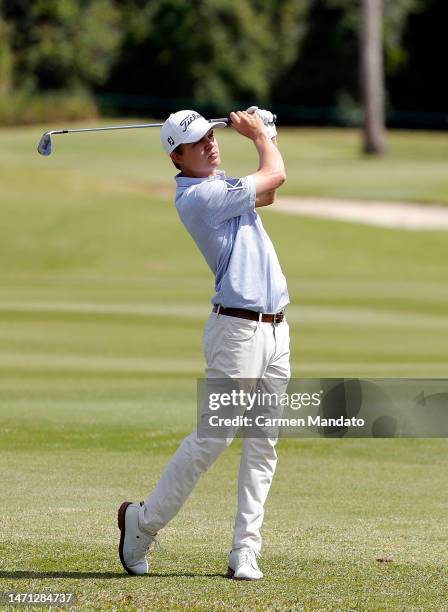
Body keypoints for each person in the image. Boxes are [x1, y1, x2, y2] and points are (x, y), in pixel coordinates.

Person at [118, 108, 290, 581]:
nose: (212, 144)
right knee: (213, 439)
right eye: (199, 142)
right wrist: (259, 134)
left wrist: (267, 135)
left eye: (212, 135)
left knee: (264, 443)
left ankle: (245, 551)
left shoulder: (221, 185)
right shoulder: (200, 197)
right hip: (237, 332)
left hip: (277, 330)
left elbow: (269, 191)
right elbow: (276, 172)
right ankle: (143, 523)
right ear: (177, 156)